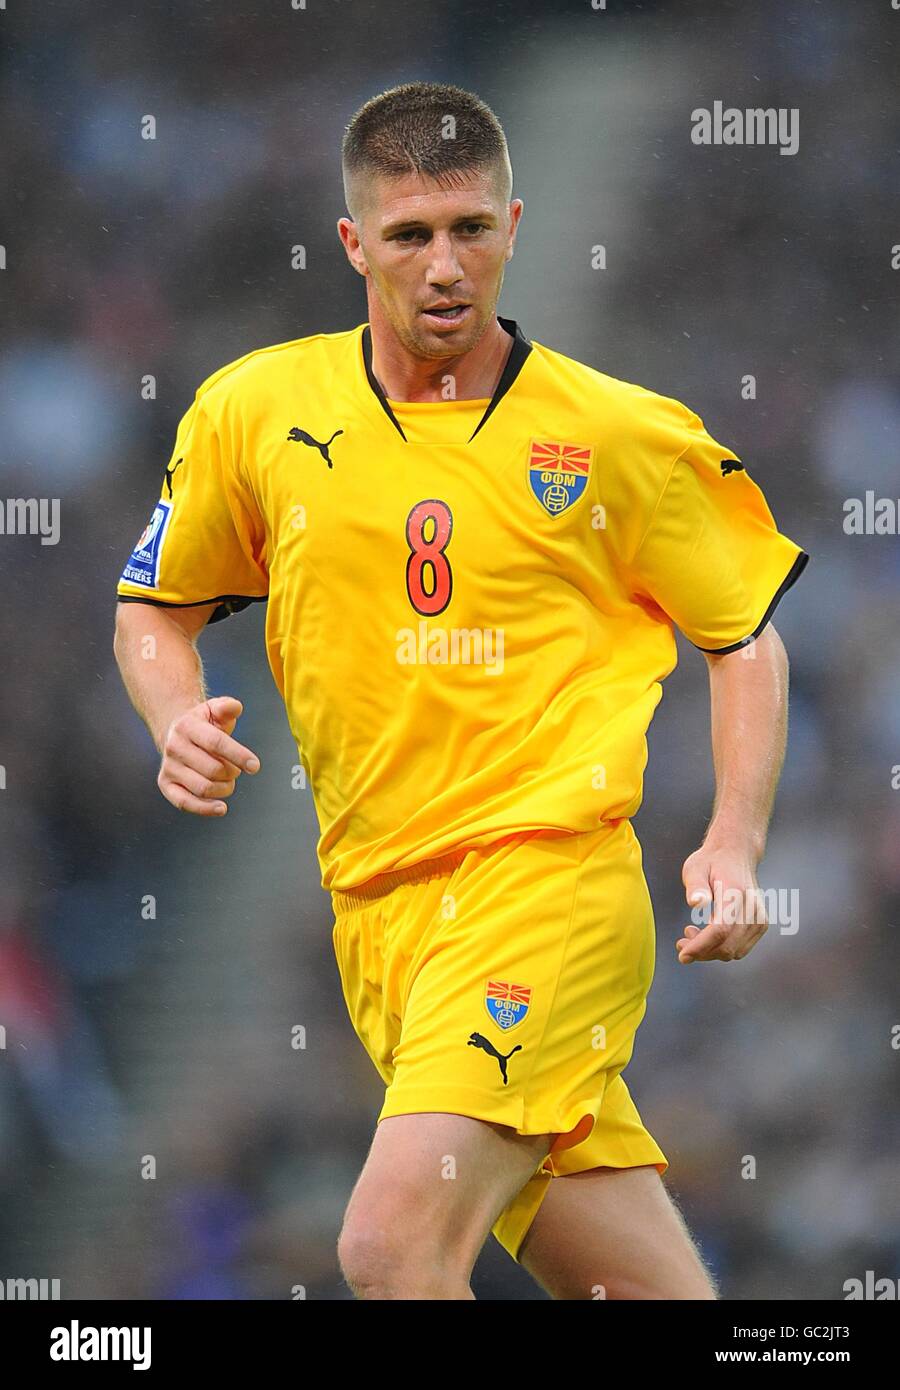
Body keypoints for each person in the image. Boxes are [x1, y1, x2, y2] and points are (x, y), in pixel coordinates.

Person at [113, 81, 809, 1300]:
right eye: (410, 236)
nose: (445, 265)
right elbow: (154, 607)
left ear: (516, 226)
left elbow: (743, 635)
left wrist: (736, 840)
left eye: (470, 230)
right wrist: (172, 712)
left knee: (390, 1244)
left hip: (547, 884)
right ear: (352, 244)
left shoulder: (617, 436)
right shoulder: (256, 411)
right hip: (381, 922)